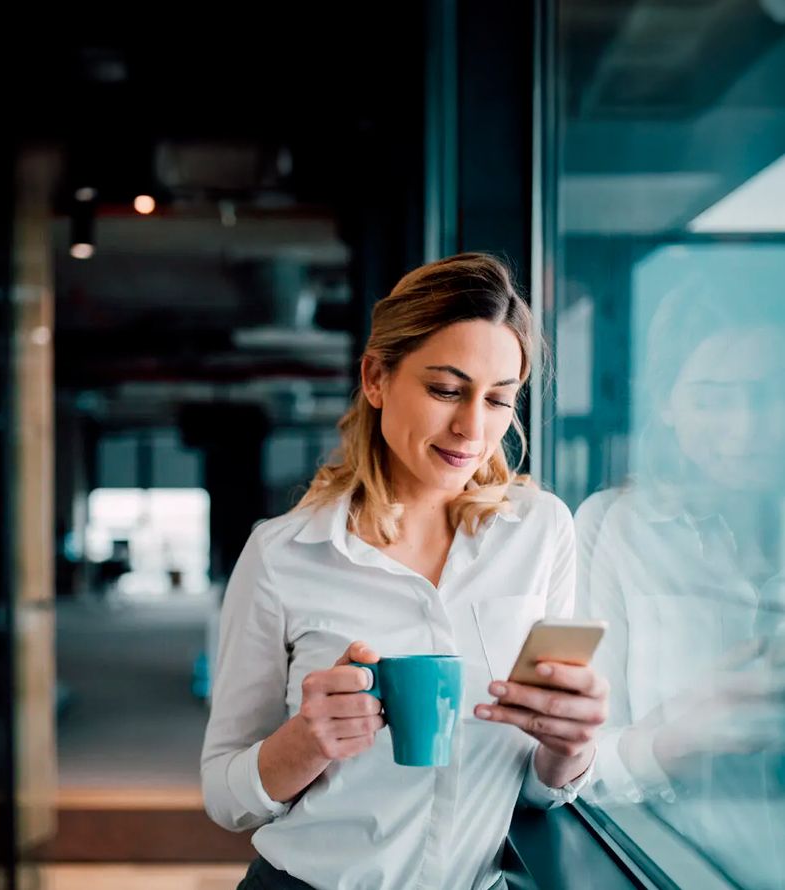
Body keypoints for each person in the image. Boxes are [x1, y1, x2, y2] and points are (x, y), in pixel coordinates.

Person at [201, 253, 609, 890]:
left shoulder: (541, 531)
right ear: (375, 378)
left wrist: (571, 746)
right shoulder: (284, 555)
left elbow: (531, 785)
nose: (473, 429)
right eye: (446, 390)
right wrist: (306, 742)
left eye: (499, 400)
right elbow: (226, 796)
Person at [574, 268, 785, 889]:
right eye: (713, 397)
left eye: (770, 393)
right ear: (665, 402)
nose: (746, 428)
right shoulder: (613, 529)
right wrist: (678, 739)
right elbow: (567, 767)